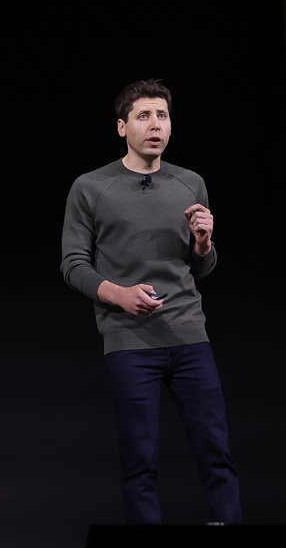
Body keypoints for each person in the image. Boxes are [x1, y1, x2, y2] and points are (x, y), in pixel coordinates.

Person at [59, 79, 242, 524]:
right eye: (143, 116)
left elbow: (201, 268)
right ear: (122, 127)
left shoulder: (190, 183)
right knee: (140, 460)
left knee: (216, 453)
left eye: (162, 115)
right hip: (129, 342)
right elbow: (73, 263)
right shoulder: (91, 186)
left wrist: (203, 243)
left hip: (189, 337)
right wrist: (119, 295)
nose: (155, 124)